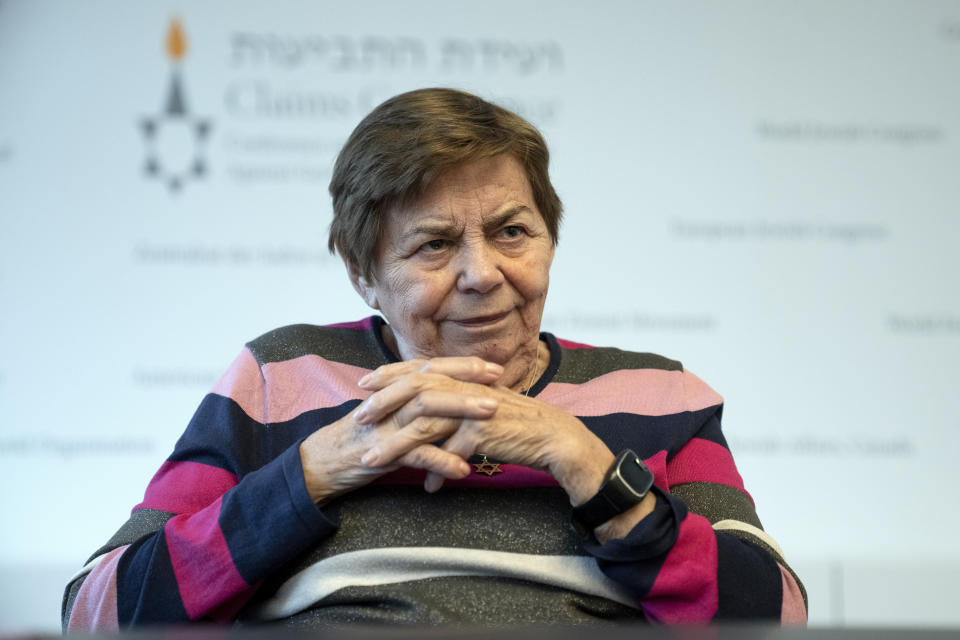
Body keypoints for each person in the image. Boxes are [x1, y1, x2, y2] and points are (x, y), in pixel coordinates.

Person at [62, 88, 806, 630]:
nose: (483, 273)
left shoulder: (658, 394)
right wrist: (316, 473)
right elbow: (101, 610)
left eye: (513, 231)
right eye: (435, 244)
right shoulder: (280, 378)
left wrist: (581, 461)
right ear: (364, 275)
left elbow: (774, 613)